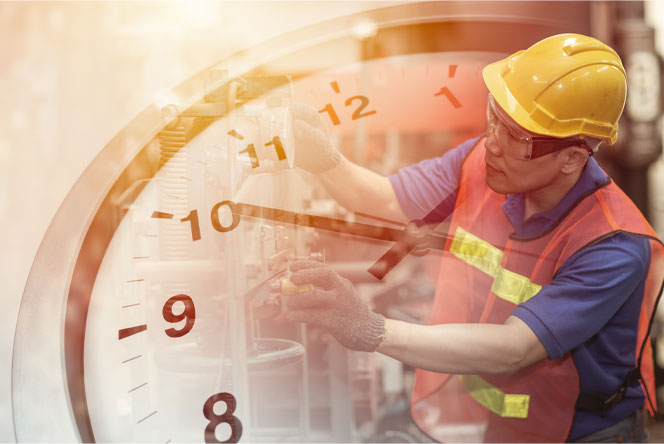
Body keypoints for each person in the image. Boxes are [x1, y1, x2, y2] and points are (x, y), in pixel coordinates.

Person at [283, 33, 664, 442]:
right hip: (505, 425)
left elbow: (515, 346)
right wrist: (325, 160)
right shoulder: (478, 162)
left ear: (572, 157)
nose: (493, 143)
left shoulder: (614, 243)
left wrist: (371, 328)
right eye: (494, 116)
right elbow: (389, 199)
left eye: (518, 137)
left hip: (588, 435)